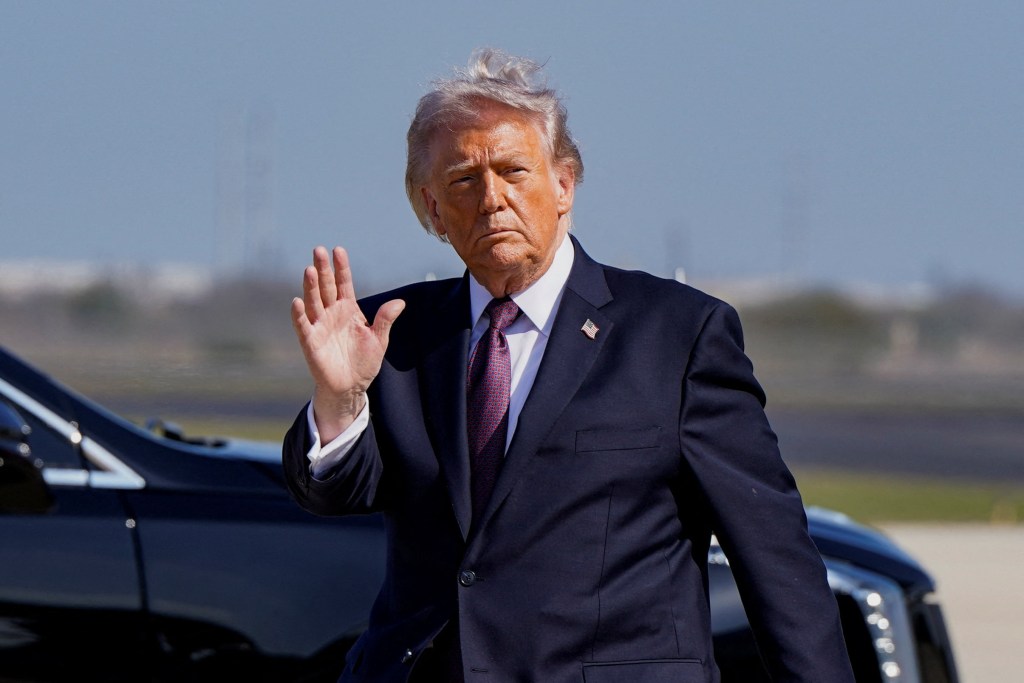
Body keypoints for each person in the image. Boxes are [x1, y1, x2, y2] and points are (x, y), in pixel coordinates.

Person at [283, 49, 855, 683]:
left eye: (513, 171)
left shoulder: (676, 336)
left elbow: (775, 558)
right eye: (464, 181)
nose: (493, 199)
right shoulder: (390, 336)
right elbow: (336, 495)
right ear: (432, 208)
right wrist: (339, 401)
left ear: (563, 184)